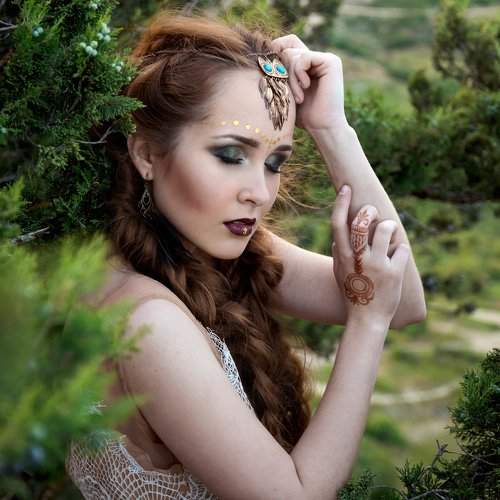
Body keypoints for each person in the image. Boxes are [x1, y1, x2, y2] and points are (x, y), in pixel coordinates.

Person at [66, 9, 426, 500]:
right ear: (146, 154)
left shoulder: (208, 251)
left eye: (274, 162)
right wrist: (366, 321)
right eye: (231, 156)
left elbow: (404, 301)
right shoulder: (147, 322)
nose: (259, 192)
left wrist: (332, 128)